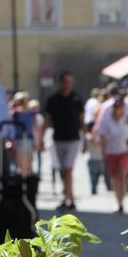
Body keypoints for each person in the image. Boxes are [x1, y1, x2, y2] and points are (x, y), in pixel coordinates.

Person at [45, 71, 84, 212]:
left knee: (68, 169)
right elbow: (47, 118)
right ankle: (69, 197)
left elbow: (81, 119)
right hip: (58, 139)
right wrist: (42, 138)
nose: (68, 84)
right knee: (62, 170)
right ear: (61, 82)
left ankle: (67, 198)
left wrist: (85, 140)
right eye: (66, 81)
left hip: (73, 139)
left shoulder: (77, 99)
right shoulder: (53, 99)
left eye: (70, 81)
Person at [97, 96, 128, 213]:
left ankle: (122, 199)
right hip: (111, 151)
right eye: (116, 107)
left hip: (125, 151)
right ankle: (118, 201)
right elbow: (102, 135)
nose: (118, 109)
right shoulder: (108, 121)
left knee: (123, 174)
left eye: (120, 107)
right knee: (115, 177)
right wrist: (103, 146)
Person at [9, 92, 36, 174]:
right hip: (27, 140)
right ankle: (26, 181)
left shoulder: (16, 113)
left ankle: (25, 182)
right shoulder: (31, 113)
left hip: (21, 140)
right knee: (27, 164)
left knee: (22, 165)